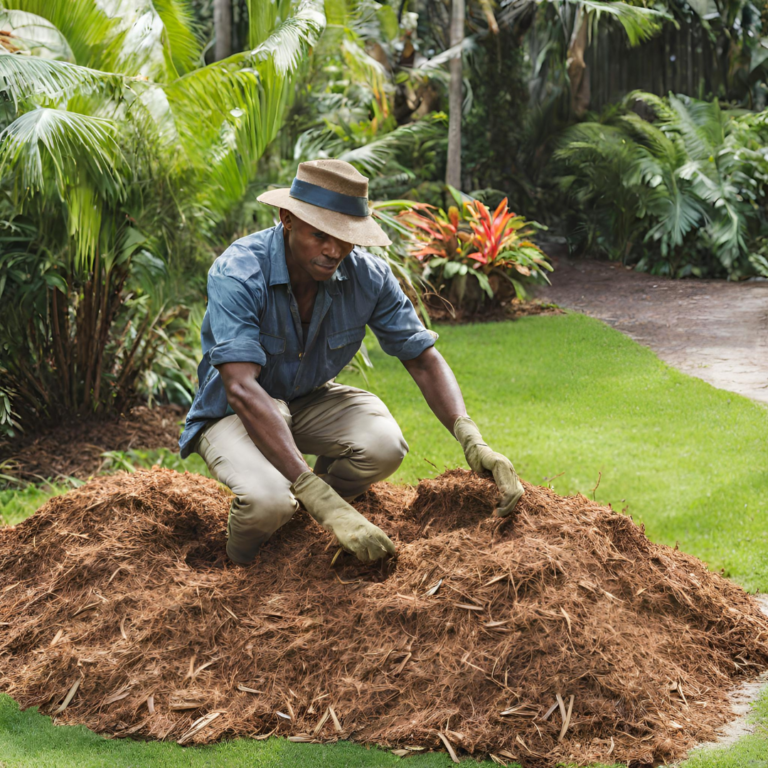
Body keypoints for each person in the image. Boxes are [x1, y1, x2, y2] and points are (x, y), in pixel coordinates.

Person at [179, 159, 523, 565]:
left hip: (306, 398)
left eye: (346, 237)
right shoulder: (239, 272)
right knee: (269, 501)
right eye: (320, 234)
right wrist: (312, 487)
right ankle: (237, 570)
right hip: (232, 410)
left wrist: (473, 441)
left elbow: (423, 360)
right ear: (286, 218)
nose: (334, 250)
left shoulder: (368, 277)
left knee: (384, 445)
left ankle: (311, 516)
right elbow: (239, 386)